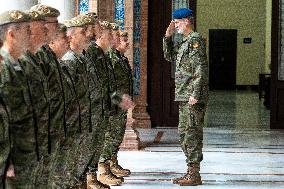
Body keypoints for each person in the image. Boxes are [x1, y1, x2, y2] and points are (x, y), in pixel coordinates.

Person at [163, 8, 209, 186]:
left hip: (191, 95)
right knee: (184, 133)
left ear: (187, 21)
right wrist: (167, 37)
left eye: (177, 22)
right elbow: (169, 57)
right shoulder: (184, 42)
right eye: (174, 22)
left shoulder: (195, 40)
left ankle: (194, 174)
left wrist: (195, 94)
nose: (175, 25)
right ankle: (190, 171)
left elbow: (200, 69)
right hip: (184, 94)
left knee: (191, 134)